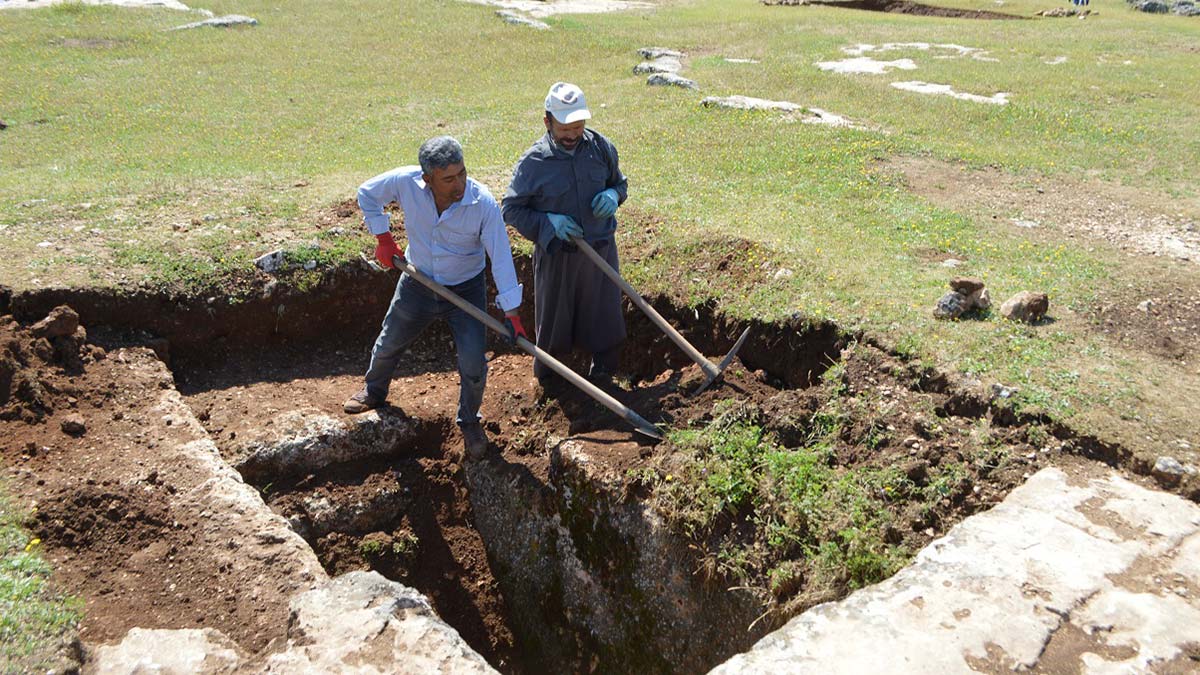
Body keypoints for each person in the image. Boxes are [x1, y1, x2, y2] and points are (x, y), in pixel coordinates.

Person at [343, 136, 527, 460]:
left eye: (462, 173)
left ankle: (469, 420)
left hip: (465, 289)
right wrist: (384, 238)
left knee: (473, 364)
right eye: (448, 179)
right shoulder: (405, 182)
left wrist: (512, 314)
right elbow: (367, 194)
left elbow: (500, 258)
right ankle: (374, 390)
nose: (459, 184)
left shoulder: (482, 203)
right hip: (418, 281)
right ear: (427, 179)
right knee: (389, 342)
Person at [502, 82, 629, 390]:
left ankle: (604, 376)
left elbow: (620, 184)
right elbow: (511, 209)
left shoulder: (600, 148)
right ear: (547, 122)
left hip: (600, 250)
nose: (572, 134)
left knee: (604, 315)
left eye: (579, 126)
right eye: (565, 128)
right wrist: (548, 222)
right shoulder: (533, 163)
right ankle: (550, 385)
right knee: (555, 323)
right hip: (558, 254)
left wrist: (613, 194)